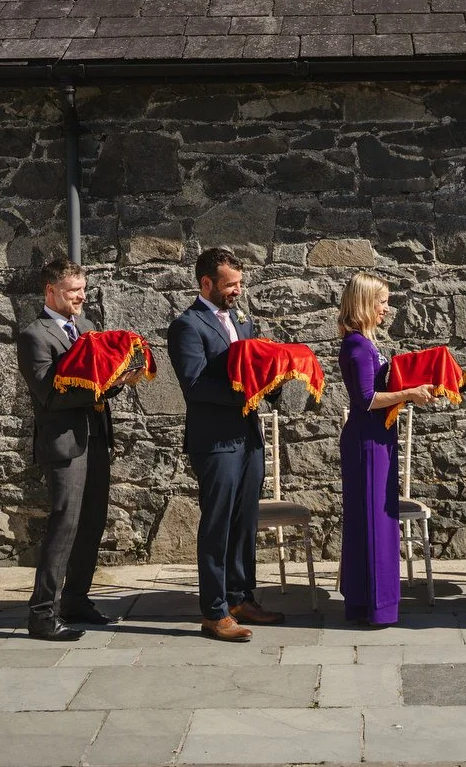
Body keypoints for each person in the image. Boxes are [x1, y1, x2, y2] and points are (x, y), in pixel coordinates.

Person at [167, 247, 282, 642]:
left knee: (245, 521)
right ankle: (214, 611)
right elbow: (195, 385)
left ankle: (240, 596)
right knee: (217, 525)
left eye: (239, 283)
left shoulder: (241, 320)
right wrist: (245, 391)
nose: (237, 290)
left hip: (248, 436)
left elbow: (253, 366)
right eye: (230, 284)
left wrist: (275, 380)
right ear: (206, 283)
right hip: (215, 441)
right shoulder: (187, 326)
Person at [16, 257, 123, 642]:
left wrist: (119, 377)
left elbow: (99, 376)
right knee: (65, 524)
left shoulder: (88, 328)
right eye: (72, 290)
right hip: (64, 443)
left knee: (92, 524)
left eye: (82, 288)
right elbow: (48, 395)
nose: (81, 296)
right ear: (50, 291)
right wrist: (102, 387)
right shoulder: (35, 335)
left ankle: (76, 600)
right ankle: (42, 614)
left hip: (96, 437)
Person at [336, 273, 436, 626]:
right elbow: (366, 399)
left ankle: (368, 602)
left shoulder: (362, 343)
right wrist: (408, 394)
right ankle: (375, 606)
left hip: (375, 438)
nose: (386, 309)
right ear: (365, 303)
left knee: (375, 519)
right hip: (367, 442)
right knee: (375, 521)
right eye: (382, 302)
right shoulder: (359, 346)